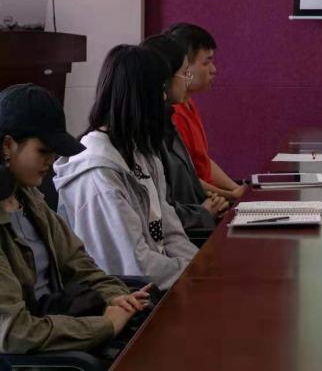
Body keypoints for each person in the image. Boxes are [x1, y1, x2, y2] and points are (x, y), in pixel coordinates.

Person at [0, 84, 151, 354]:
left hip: (63, 333)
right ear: (8, 145)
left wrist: (116, 297)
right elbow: (14, 333)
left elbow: (79, 264)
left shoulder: (29, 198)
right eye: (43, 151)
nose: (51, 160)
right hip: (37, 356)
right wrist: (105, 325)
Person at [53, 46, 198, 290]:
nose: (165, 99)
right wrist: (195, 276)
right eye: (160, 90)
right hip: (126, 297)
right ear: (141, 97)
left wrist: (202, 269)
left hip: (161, 285)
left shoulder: (142, 154)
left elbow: (171, 233)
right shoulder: (97, 173)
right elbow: (133, 266)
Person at [140, 34, 229, 235]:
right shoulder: (151, 135)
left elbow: (192, 176)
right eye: (184, 73)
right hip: (191, 229)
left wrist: (221, 199)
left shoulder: (168, 120)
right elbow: (159, 212)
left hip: (198, 219)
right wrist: (205, 211)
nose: (187, 80)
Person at [164, 23, 245, 201]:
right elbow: (185, 179)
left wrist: (237, 189)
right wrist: (230, 195)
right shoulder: (173, 113)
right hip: (198, 204)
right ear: (184, 65)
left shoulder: (187, 102)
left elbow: (203, 163)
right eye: (206, 62)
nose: (213, 70)